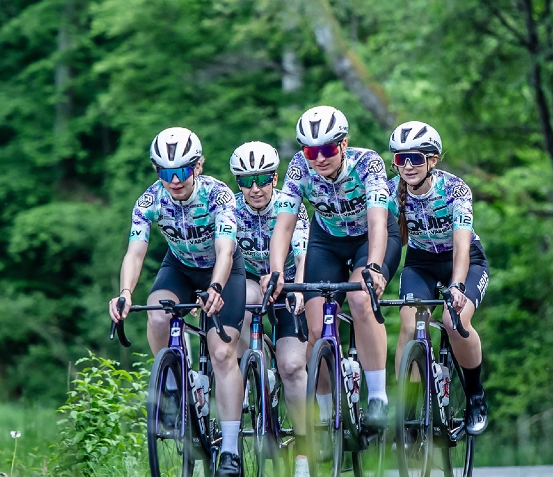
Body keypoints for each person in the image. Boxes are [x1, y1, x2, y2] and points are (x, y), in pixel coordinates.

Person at [108, 127, 251, 476]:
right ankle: (175, 390)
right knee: (157, 316)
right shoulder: (149, 201)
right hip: (181, 267)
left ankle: (230, 451)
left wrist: (216, 287)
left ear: (198, 166)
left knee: (222, 353)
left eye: (183, 170)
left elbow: (225, 249)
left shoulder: (219, 196)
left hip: (223, 269)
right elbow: (135, 253)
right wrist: (125, 293)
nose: (174, 180)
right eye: (165, 172)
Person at [266, 106, 401, 434]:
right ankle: (327, 415)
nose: (319, 159)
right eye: (311, 151)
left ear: (343, 144)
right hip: (327, 241)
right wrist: (276, 271)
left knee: (360, 300)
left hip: (370, 239)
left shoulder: (367, 163)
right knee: (316, 330)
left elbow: (378, 220)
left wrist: (374, 267)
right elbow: (284, 226)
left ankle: (378, 397)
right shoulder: (299, 167)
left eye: (326, 150)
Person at [386, 121, 490, 435]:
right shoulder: (389, 192)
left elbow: (462, 244)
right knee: (409, 325)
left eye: (415, 158)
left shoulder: (455, 190)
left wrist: (457, 285)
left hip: (465, 260)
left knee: (453, 321)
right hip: (421, 263)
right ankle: (408, 408)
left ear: (432, 160)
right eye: (400, 159)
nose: (407, 166)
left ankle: (475, 395)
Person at [228, 141, 316, 473]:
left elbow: (302, 253)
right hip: (251, 280)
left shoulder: (289, 205)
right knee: (244, 298)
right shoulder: (230, 209)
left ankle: (304, 451)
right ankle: (250, 366)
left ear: (275, 178)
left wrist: (300, 290)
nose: (255, 188)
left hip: (289, 282)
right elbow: (218, 255)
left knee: (292, 366)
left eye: (263, 179)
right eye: (246, 181)